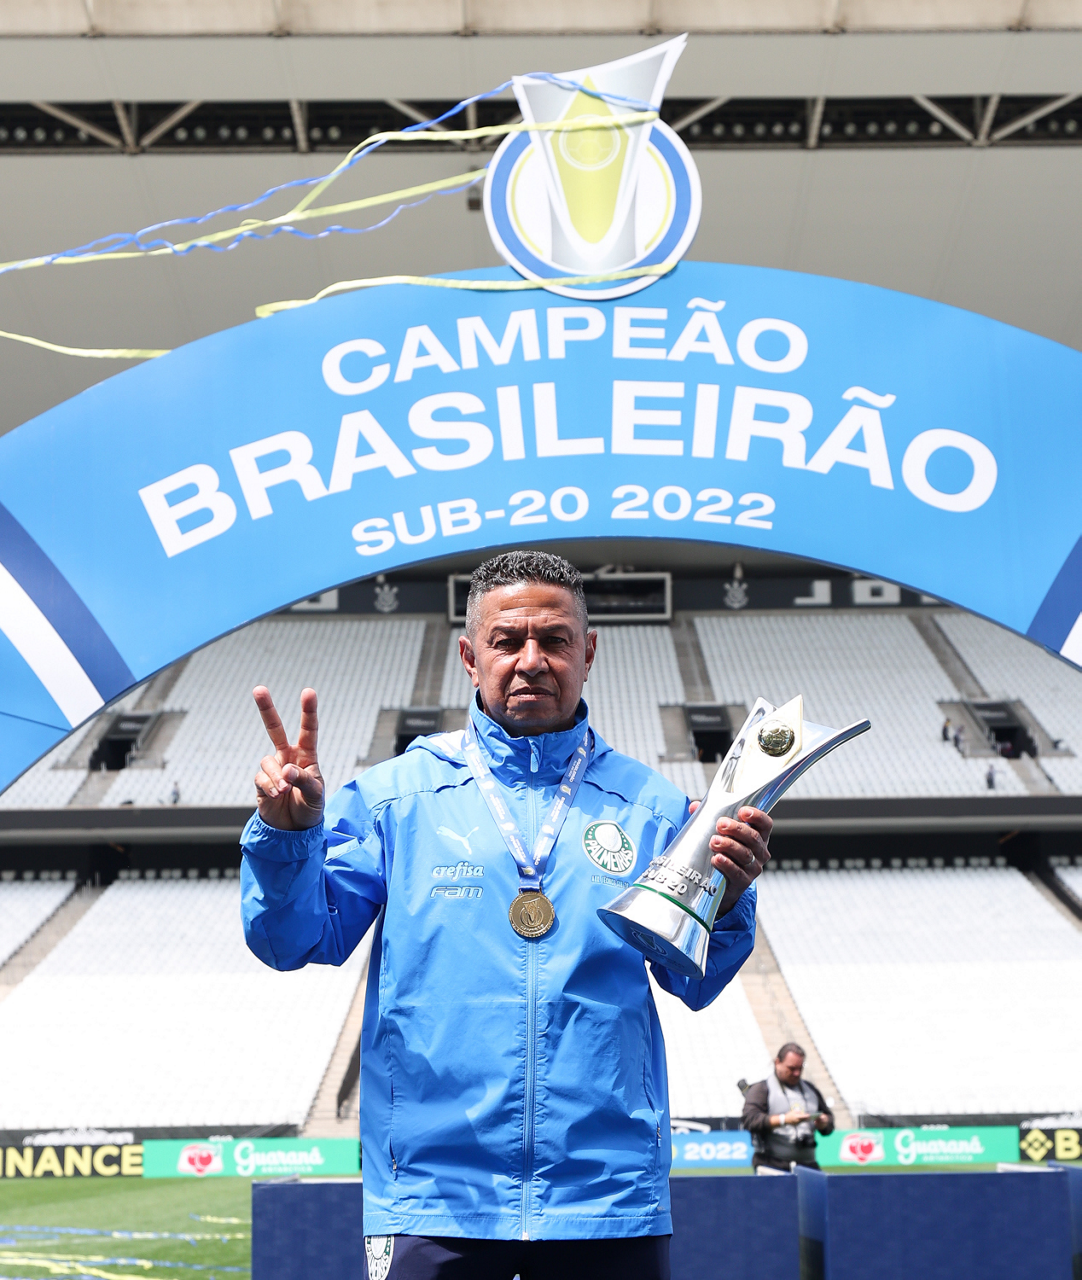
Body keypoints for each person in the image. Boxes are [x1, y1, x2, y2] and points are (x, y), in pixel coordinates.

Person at [240, 551, 772, 1280]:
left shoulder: (653, 810)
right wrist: (288, 838)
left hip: (606, 1198)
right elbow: (293, 939)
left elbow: (694, 982)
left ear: (588, 653)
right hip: (431, 1197)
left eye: (554, 640)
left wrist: (729, 896)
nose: (530, 660)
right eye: (507, 640)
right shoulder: (394, 800)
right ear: (470, 657)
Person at [742, 1043, 835, 1172]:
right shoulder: (761, 1089)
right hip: (772, 1164)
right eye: (791, 1068)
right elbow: (750, 1120)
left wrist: (824, 1123)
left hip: (808, 1166)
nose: (797, 1073)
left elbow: (829, 1123)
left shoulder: (811, 1090)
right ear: (777, 1063)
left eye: (800, 1068)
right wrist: (783, 1120)